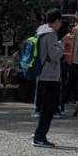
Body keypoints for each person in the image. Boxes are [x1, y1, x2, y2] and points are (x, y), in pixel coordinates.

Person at [32, 9, 65, 148]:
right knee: (49, 108)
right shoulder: (51, 34)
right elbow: (54, 55)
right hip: (50, 76)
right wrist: (62, 45)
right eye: (60, 20)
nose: (61, 23)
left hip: (42, 74)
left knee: (44, 107)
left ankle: (38, 134)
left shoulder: (41, 30)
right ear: (56, 20)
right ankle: (40, 137)